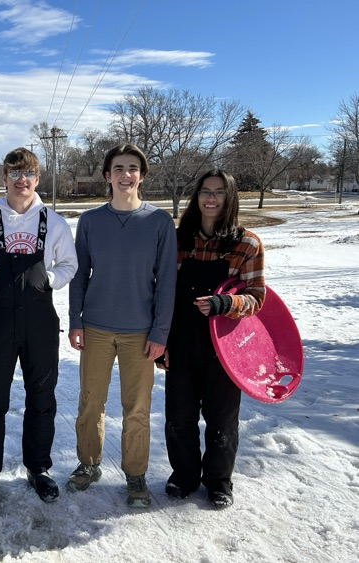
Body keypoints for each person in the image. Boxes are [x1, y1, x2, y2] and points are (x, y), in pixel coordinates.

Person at [0, 147, 78, 507]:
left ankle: (38, 468)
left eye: (28, 174)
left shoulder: (53, 222)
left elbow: (70, 265)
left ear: (37, 178)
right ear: (4, 179)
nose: (21, 180)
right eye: (14, 174)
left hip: (40, 321)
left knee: (42, 397)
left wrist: (48, 278)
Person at [67, 143, 176, 508]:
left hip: (141, 333)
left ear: (142, 175)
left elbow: (167, 284)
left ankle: (136, 473)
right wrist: (76, 321)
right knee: (90, 402)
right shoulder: (91, 221)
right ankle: (88, 464)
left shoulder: (159, 222)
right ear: (107, 175)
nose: (125, 175)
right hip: (96, 327)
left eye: (132, 168)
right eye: (118, 168)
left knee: (137, 408)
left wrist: (161, 333)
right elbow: (80, 275)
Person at [157, 169, 265, 509]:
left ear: (229, 198)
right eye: (205, 191)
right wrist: (161, 342)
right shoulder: (178, 241)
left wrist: (226, 303)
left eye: (219, 192)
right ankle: (184, 475)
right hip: (182, 340)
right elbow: (162, 293)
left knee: (222, 418)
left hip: (226, 347)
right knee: (179, 415)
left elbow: (256, 298)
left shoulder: (247, 243)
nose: (211, 198)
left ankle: (219, 481)